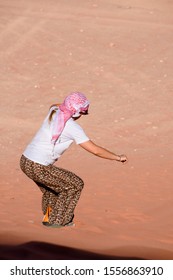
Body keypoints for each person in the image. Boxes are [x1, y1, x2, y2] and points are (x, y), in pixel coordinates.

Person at [20, 92, 128, 228]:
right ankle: (58, 222)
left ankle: (48, 217)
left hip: (25, 161)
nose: (82, 116)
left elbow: (54, 105)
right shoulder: (72, 127)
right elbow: (95, 150)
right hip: (37, 166)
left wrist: (66, 106)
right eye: (83, 112)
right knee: (75, 184)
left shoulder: (54, 111)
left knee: (52, 188)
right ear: (76, 112)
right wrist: (118, 157)